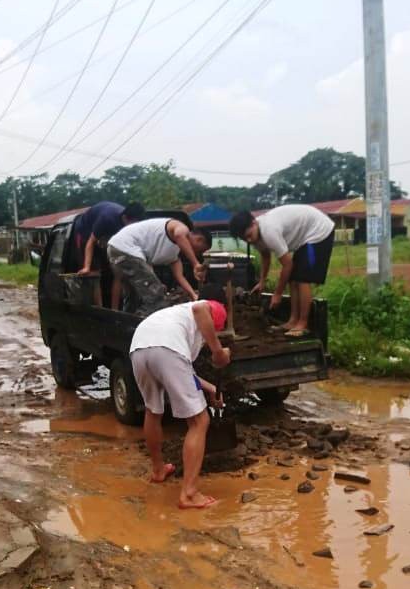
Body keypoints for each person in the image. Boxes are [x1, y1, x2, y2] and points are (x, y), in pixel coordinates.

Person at [130, 299, 230, 510]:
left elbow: (184, 371)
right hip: (167, 349)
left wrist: (210, 388)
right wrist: (218, 351)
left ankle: (158, 470)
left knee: (153, 410)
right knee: (199, 421)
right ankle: (189, 494)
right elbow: (200, 308)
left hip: (139, 349)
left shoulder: (175, 317)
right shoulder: (202, 308)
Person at [228, 204, 334, 337]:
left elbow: (287, 265)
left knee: (302, 279)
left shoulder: (269, 231)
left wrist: (277, 294)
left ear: (254, 222)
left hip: (318, 230)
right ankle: (293, 320)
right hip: (304, 238)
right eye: (245, 239)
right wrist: (262, 281)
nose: (249, 240)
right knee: (293, 279)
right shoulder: (256, 235)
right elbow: (265, 256)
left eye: (249, 235)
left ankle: (302, 323)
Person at [107, 217, 211, 317]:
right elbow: (179, 235)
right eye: (201, 250)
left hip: (117, 249)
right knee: (157, 297)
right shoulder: (182, 228)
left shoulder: (174, 256)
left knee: (135, 296)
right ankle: (138, 325)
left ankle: (125, 324)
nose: (198, 253)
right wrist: (195, 264)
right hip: (126, 249)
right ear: (199, 240)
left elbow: (180, 277)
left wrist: (193, 295)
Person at [75, 201, 146, 276]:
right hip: (85, 231)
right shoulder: (107, 218)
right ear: (125, 218)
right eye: (132, 224)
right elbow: (91, 242)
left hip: (106, 234)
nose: (133, 227)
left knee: (118, 271)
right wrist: (87, 267)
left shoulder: (131, 224)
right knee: (92, 271)